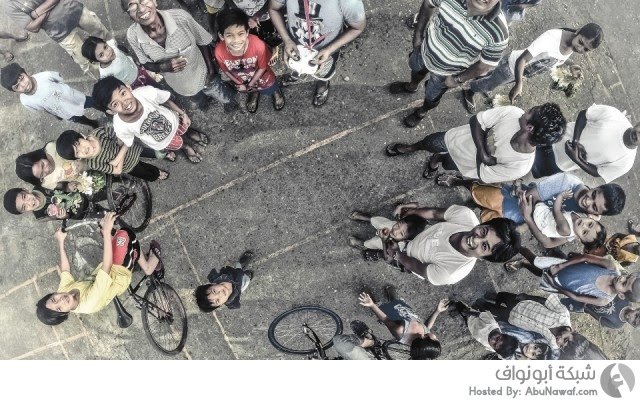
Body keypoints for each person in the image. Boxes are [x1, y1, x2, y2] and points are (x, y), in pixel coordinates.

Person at [390, 0, 508, 128]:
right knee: (416, 70)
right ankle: (412, 86)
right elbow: (428, 4)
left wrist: (458, 79)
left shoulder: (499, 33)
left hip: (447, 73)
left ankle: (422, 112)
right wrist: (418, 35)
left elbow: (484, 65)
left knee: (432, 97)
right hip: (423, 51)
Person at [35, 213, 162, 325]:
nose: (61, 301)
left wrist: (61, 242)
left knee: (112, 236)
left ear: (53, 294)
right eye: (59, 309)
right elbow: (107, 265)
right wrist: (107, 232)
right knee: (126, 234)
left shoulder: (63, 291)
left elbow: (65, 271)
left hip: (105, 273)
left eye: (54, 299)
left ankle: (132, 257)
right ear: (64, 314)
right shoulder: (90, 301)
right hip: (119, 273)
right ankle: (148, 267)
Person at [385, 103, 566, 182]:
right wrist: (484, 154)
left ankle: (435, 161)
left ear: (529, 128)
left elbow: (485, 175)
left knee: (445, 163)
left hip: (462, 164)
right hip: (455, 138)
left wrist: (483, 136)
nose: (525, 110)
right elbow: (476, 120)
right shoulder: (513, 113)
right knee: (429, 142)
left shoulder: (521, 166)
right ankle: (412, 147)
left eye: (530, 112)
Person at [121, 0, 237, 111]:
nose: (141, 8)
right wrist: (162, 67)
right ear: (129, 15)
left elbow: (203, 41)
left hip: (204, 75)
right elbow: (145, 62)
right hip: (179, 86)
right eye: (132, 6)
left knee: (223, 95)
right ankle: (204, 102)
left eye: (144, 0)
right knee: (198, 99)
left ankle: (229, 102)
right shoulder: (132, 36)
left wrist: (212, 72)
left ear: (154, 1)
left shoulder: (181, 18)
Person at [463, 23, 604, 112]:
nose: (580, 48)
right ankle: (469, 91)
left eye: (585, 49)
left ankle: (484, 80)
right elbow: (522, 59)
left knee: (493, 79)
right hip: (512, 67)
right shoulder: (551, 38)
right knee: (490, 84)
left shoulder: (572, 45)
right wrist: (519, 84)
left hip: (520, 73)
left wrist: (571, 64)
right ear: (578, 31)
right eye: (581, 42)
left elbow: (559, 57)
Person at [369, 203, 519, 285]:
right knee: (387, 231)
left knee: (386, 255)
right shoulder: (465, 215)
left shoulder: (451, 273)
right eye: (484, 231)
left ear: (486, 258)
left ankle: (378, 254)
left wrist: (398, 255)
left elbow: (417, 267)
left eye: (484, 246)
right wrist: (412, 213)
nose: (475, 239)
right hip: (416, 234)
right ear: (484, 223)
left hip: (408, 257)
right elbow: (434, 213)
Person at [269, 0, 366, 106]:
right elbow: (273, 9)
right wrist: (287, 40)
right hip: (294, 44)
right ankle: (298, 73)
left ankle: (323, 82)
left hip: (327, 51)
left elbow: (357, 27)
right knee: (295, 65)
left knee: (324, 71)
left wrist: (329, 50)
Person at [92, 76, 208, 164]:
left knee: (184, 127)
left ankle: (189, 131)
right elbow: (126, 141)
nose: (125, 102)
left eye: (123, 93)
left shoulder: (146, 92)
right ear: (111, 111)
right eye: (115, 104)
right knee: (177, 144)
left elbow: (165, 100)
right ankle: (185, 147)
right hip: (163, 141)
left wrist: (183, 114)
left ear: (128, 87)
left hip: (174, 120)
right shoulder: (120, 127)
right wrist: (118, 156)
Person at [463, 172, 626, 224]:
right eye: (594, 194)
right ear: (597, 186)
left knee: (480, 221)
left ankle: (476, 205)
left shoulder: (586, 219)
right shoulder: (566, 181)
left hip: (521, 218)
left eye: (594, 207)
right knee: (480, 194)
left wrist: (591, 218)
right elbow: (528, 198)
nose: (587, 201)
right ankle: (461, 181)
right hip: (515, 200)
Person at [532, 105, 639, 182]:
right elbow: (584, 114)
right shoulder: (615, 115)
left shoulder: (626, 163)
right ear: (638, 123)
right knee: (523, 144)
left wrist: (577, 160)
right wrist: (575, 141)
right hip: (553, 135)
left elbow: (599, 172)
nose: (638, 136)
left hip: (559, 163)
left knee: (529, 169)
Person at [5, 0, 112, 77]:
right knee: (83, 60)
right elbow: (33, 27)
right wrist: (48, 6)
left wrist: (35, 14)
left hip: (74, 10)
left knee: (99, 31)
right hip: (59, 32)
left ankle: (114, 50)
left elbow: (34, 22)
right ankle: (103, 77)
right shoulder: (9, 6)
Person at [333, 288, 446, 360]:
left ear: (424, 340)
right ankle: (392, 299)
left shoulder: (401, 331)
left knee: (384, 306)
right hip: (404, 312)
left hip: (394, 315)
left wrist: (372, 305)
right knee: (396, 302)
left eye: (435, 340)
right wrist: (437, 311)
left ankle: (379, 304)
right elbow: (427, 327)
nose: (436, 337)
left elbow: (386, 320)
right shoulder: (424, 334)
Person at [509, 249, 638, 307]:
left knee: (540, 274)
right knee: (536, 260)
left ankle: (524, 264)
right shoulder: (611, 267)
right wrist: (560, 266)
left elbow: (576, 297)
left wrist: (557, 285)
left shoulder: (604, 300)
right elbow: (585, 258)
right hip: (560, 266)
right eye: (626, 276)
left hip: (560, 284)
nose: (622, 278)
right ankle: (516, 246)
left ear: (621, 295)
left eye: (624, 283)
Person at [215, 8, 285, 112]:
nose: (236, 40)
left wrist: (251, 84)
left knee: (269, 86)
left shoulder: (258, 45)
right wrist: (239, 84)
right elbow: (225, 69)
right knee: (251, 90)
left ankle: (274, 90)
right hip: (242, 80)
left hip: (262, 77)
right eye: (229, 35)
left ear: (247, 32)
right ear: (221, 36)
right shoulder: (219, 51)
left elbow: (262, 67)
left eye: (240, 33)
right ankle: (254, 92)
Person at [0, 63, 99, 128]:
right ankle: (92, 123)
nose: (23, 85)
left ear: (25, 72)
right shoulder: (25, 101)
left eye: (22, 78)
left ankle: (105, 108)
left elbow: (59, 79)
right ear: (14, 91)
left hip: (74, 97)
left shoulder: (45, 76)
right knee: (80, 119)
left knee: (93, 102)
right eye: (17, 87)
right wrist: (56, 115)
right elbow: (42, 109)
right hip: (63, 112)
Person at [56, 127, 170, 182]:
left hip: (136, 148)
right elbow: (117, 171)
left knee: (152, 151)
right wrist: (124, 148)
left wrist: (116, 161)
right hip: (130, 166)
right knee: (145, 171)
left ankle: (165, 153)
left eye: (79, 143)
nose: (83, 149)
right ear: (78, 158)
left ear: (81, 136)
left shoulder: (99, 133)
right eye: (77, 152)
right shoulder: (92, 162)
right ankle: (157, 173)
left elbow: (121, 136)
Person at [473, 292, 573, 353]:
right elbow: (546, 301)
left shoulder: (553, 344)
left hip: (517, 320)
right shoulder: (563, 314)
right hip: (522, 304)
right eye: (566, 339)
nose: (559, 340)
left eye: (561, 345)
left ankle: (485, 305)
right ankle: (495, 297)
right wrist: (527, 297)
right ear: (575, 333)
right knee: (504, 296)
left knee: (497, 311)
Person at [520, 189, 607, 250]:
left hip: (542, 219)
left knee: (535, 198)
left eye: (584, 232)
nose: (584, 225)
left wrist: (561, 196)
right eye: (590, 224)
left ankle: (518, 192)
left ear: (577, 237)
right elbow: (595, 217)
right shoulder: (583, 218)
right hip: (551, 218)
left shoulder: (566, 229)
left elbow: (556, 210)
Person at [81, 36, 161, 90]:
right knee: (148, 93)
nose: (108, 52)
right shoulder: (105, 74)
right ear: (95, 61)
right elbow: (114, 86)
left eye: (105, 47)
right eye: (101, 55)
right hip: (133, 84)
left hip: (138, 69)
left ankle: (161, 91)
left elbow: (114, 44)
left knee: (154, 85)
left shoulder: (112, 46)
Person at [454, 301, 519, 359]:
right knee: (460, 307)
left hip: (471, 326)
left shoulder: (493, 349)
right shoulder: (491, 323)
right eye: (497, 338)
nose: (493, 340)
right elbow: (480, 314)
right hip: (472, 316)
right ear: (502, 334)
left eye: (494, 344)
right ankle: (456, 303)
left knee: (465, 319)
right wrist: (468, 312)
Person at [347, 210, 427, 253]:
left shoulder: (399, 246)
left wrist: (383, 240)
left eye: (401, 233)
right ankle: (369, 218)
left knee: (374, 243)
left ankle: (363, 245)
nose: (396, 230)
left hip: (387, 244)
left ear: (406, 239)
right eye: (399, 225)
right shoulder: (394, 227)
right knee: (380, 222)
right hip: (388, 228)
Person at [4, 186, 101, 220]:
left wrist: (68, 187)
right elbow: (62, 217)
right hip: (82, 213)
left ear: (24, 190)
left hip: (84, 193)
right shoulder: (40, 217)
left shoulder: (41, 186)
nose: (29, 202)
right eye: (24, 207)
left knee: (110, 195)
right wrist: (63, 216)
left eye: (24, 196)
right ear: (24, 212)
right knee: (109, 215)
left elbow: (63, 185)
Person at [15, 144, 85, 191]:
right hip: (85, 180)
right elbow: (63, 187)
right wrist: (69, 187)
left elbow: (79, 146)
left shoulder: (52, 148)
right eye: (42, 174)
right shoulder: (46, 182)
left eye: (42, 165)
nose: (47, 169)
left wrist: (79, 159)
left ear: (39, 157)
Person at [561, 296, 640, 330]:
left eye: (633, 322)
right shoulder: (626, 299)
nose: (631, 318)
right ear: (637, 309)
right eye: (636, 315)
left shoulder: (617, 325)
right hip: (588, 292)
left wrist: (587, 308)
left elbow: (599, 318)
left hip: (584, 306)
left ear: (632, 325)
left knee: (562, 305)